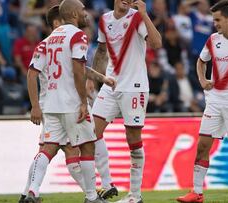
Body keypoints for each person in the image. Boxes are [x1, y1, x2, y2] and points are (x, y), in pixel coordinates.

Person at [21, 5, 118, 203]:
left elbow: (31, 73)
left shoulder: (46, 42)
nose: (85, 13)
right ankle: (92, 197)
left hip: (50, 105)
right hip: (71, 104)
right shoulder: (78, 36)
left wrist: (35, 106)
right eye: (82, 10)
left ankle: (32, 192)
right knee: (88, 146)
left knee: (47, 149)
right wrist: (83, 102)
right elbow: (77, 70)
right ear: (73, 14)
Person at [176, 1, 228, 203]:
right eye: (214, 20)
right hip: (214, 100)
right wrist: (202, 80)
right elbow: (201, 61)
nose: (215, 24)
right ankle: (196, 192)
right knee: (202, 145)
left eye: (218, 20)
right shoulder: (212, 39)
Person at [91, 0, 162, 202]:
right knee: (91, 132)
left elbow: (156, 44)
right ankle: (106, 184)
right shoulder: (104, 19)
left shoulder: (137, 17)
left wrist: (145, 14)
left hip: (135, 87)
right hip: (111, 84)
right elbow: (102, 51)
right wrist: (93, 78)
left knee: (133, 139)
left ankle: (135, 195)